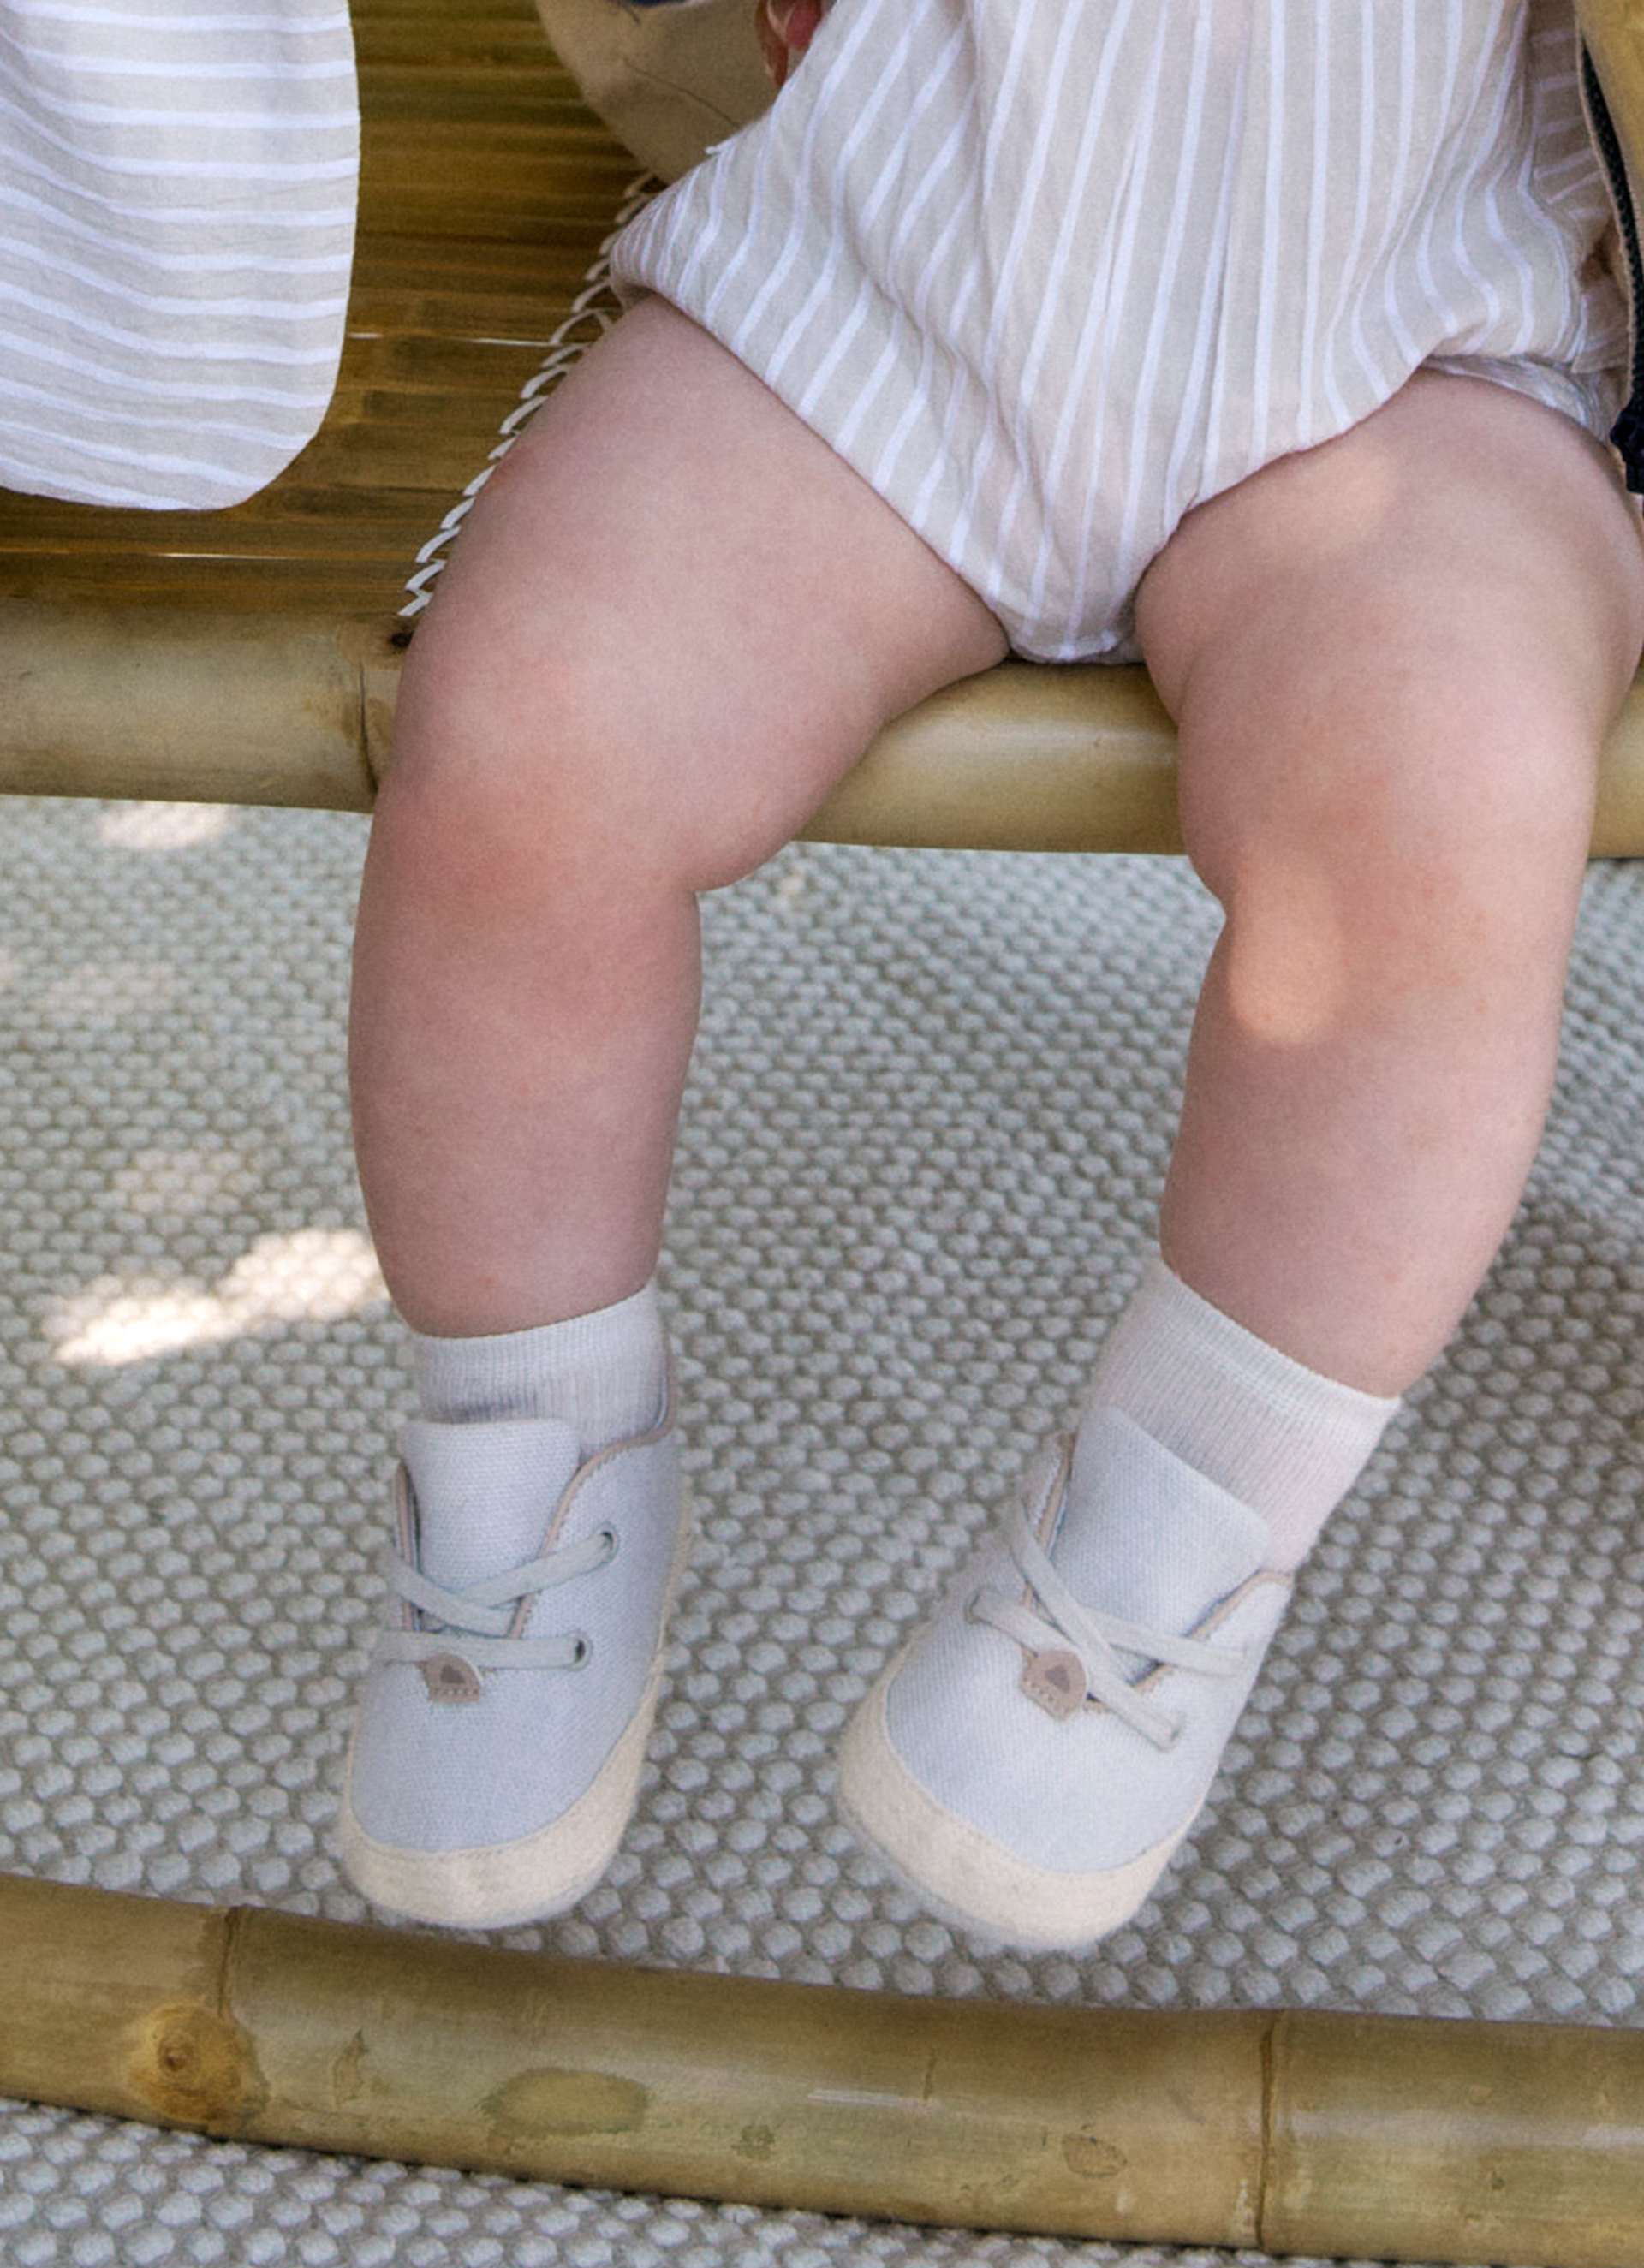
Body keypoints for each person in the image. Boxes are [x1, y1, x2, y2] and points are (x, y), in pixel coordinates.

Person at [332, 0, 1644, 1949]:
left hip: (1410, 334)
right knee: (529, 743)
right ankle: (528, 1461)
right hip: (881, 274)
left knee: (1438, 804)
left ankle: (1168, 1551)